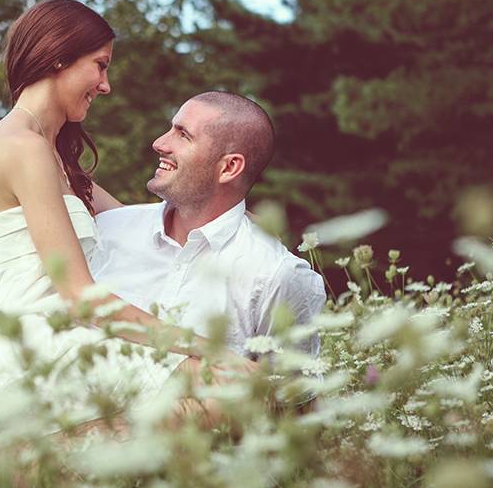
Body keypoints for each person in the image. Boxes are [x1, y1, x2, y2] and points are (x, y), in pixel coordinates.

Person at [0, 0, 257, 450]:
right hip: (27, 344)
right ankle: (8, 464)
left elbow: (146, 223)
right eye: (100, 66)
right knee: (235, 386)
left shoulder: (54, 159)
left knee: (243, 389)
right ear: (58, 57)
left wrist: (237, 218)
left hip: (59, 336)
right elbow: (81, 298)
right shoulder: (22, 147)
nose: (105, 85)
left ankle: (22, 460)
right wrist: (205, 346)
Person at [90, 91, 326, 370]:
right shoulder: (108, 230)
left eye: (183, 135)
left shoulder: (277, 275)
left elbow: (293, 400)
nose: (159, 143)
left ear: (228, 167)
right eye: (170, 129)